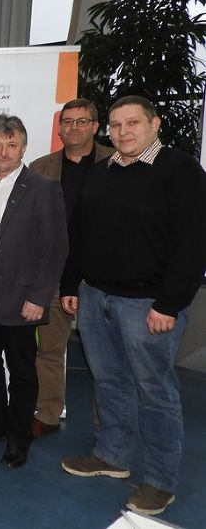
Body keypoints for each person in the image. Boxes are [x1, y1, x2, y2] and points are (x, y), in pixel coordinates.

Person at [60, 96, 206, 515]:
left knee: (155, 392)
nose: (123, 132)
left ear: (154, 124)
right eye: (116, 124)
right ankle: (112, 456)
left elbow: (193, 243)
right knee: (109, 383)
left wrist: (170, 303)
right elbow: (79, 235)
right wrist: (72, 283)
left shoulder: (180, 172)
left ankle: (160, 481)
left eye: (133, 123)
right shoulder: (101, 173)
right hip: (96, 298)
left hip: (149, 306)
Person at [0, 115, 68, 469]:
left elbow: (55, 249)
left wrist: (38, 297)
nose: (3, 152)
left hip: (21, 299)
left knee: (21, 371)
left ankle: (18, 438)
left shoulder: (42, 188)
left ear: (23, 147)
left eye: (12, 145)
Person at [27, 98, 113, 439]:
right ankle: (47, 414)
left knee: (105, 361)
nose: (73, 127)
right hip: (53, 276)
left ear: (95, 125)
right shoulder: (40, 167)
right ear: (59, 127)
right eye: (67, 121)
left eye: (82, 121)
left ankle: (107, 426)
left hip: (102, 280)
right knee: (49, 350)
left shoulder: (118, 162)